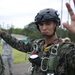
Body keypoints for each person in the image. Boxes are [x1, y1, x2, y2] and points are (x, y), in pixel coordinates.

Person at [0, 0, 75, 75]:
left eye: (48, 23)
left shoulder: (66, 49)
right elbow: (17, 44)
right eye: (41, 24)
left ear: (56, 25)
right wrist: (2, 33)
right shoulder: (37, 45)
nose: (44, 27)